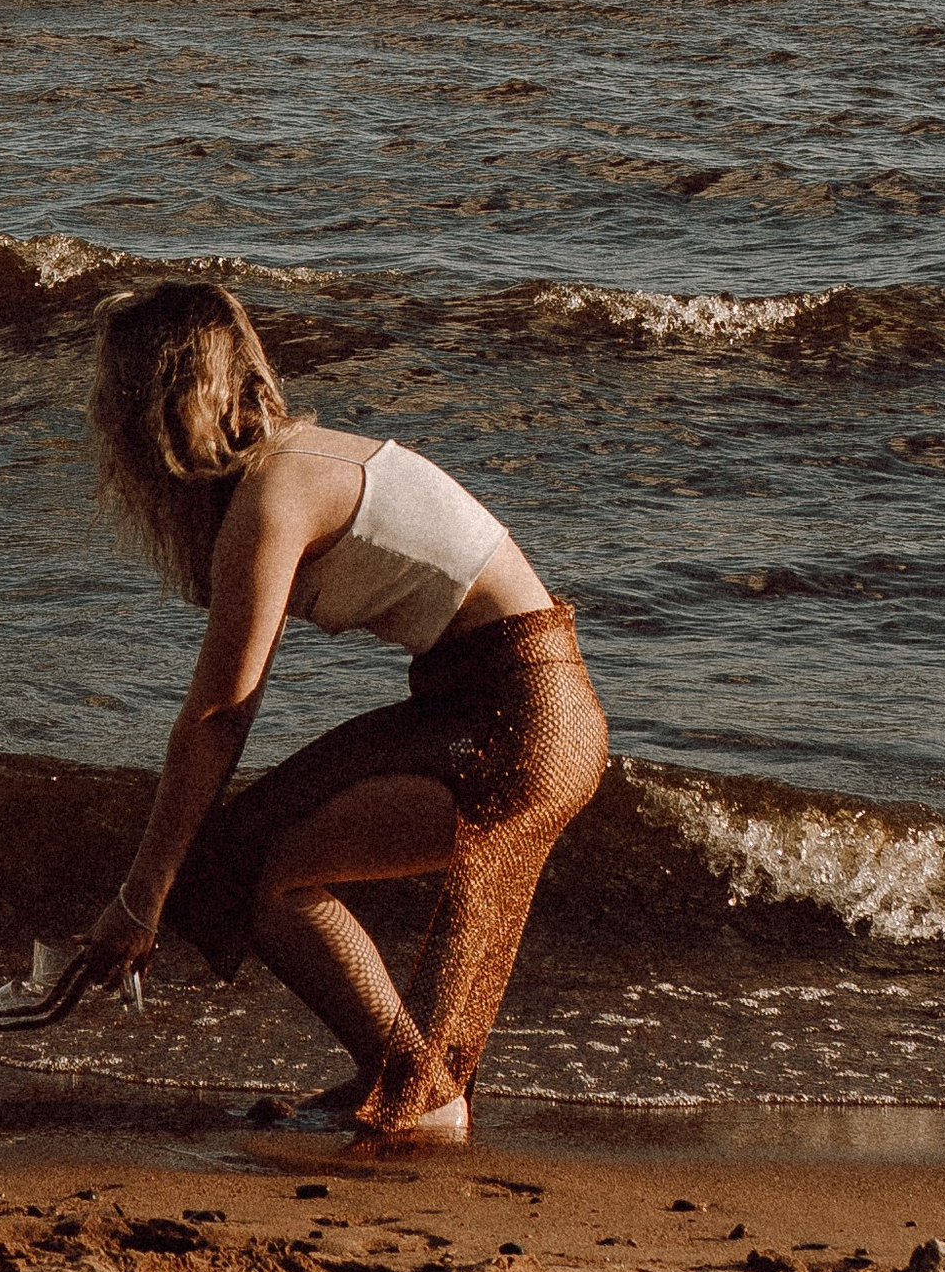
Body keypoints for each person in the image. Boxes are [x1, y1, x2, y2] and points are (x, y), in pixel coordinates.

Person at [68, 279, 608, 1136]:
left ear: (158, 404)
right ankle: (406, 1081)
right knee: (246, 853)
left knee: (260, 872)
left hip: (517, 718)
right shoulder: (297, 466)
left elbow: (219, 717)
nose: (103, 421)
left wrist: (140, 901)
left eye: (112, 399)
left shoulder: (275, 495)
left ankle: (420, 1095)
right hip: (515, 702)